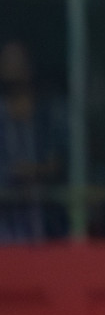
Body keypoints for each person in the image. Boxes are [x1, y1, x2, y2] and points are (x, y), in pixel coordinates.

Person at [0, 40, 67, 242]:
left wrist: (36, 171)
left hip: (46, 221)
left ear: (29, 66)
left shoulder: (51, 113)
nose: (12, 67)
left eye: (17, 61)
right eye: (7, 61)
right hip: (5, 222)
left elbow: (64, 162)